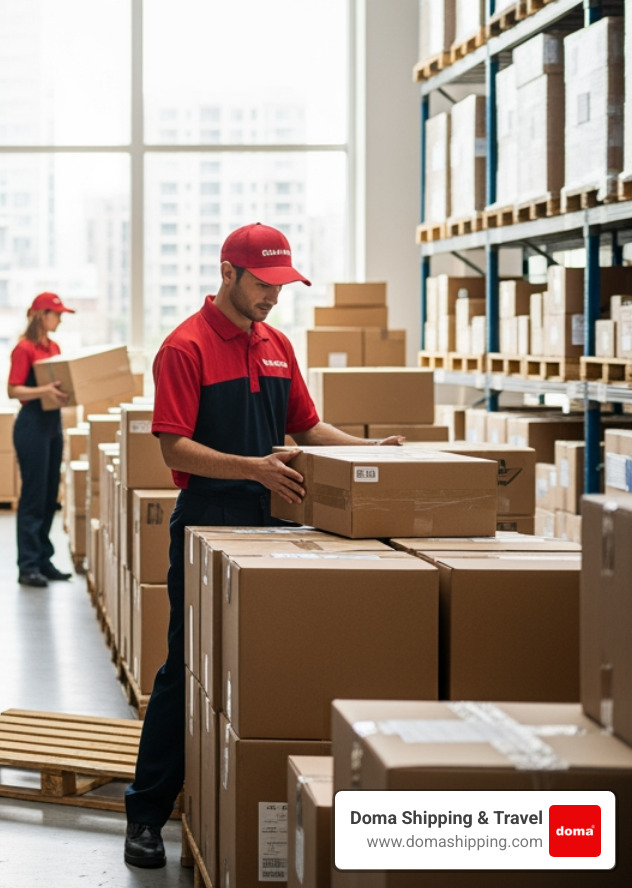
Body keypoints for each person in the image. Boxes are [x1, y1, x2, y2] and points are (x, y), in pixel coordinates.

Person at [122, 223, 404, 869]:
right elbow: (173, 446)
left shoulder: (276, 344)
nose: (274, 296)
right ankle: (146, 814)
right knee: (184, 666)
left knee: (273, 659)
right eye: (264, 284)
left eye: (282, 285)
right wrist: (252, 468)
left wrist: (370, 451)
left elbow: (305, 424)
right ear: (228, 274)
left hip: (279, 518)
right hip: (210, 514)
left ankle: (256, 794)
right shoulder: (184, 347)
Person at [7, 292, 75, 587]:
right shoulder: (24, 349)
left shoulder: (54, 346)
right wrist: (43, 391)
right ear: (41, 315)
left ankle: (44, 560)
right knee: (34, 497)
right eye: (56, 314)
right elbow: (13, 390)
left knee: (50, 496)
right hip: (31, 425)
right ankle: (28, 565)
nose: (59, 319)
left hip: (52, 424)